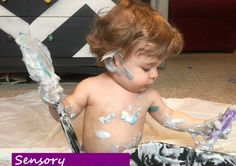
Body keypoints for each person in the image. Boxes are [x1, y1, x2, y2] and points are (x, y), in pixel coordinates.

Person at [50, 0, 224, 153]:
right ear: (116, 61)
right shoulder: (91, 87)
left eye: (157, 66)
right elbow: (63, 115)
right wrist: (53, 100)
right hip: (92, 161)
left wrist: (203, 125)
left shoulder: (149, 96)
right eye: (147, 68)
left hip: (129, 164)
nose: (155, 75)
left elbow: (170, 117)